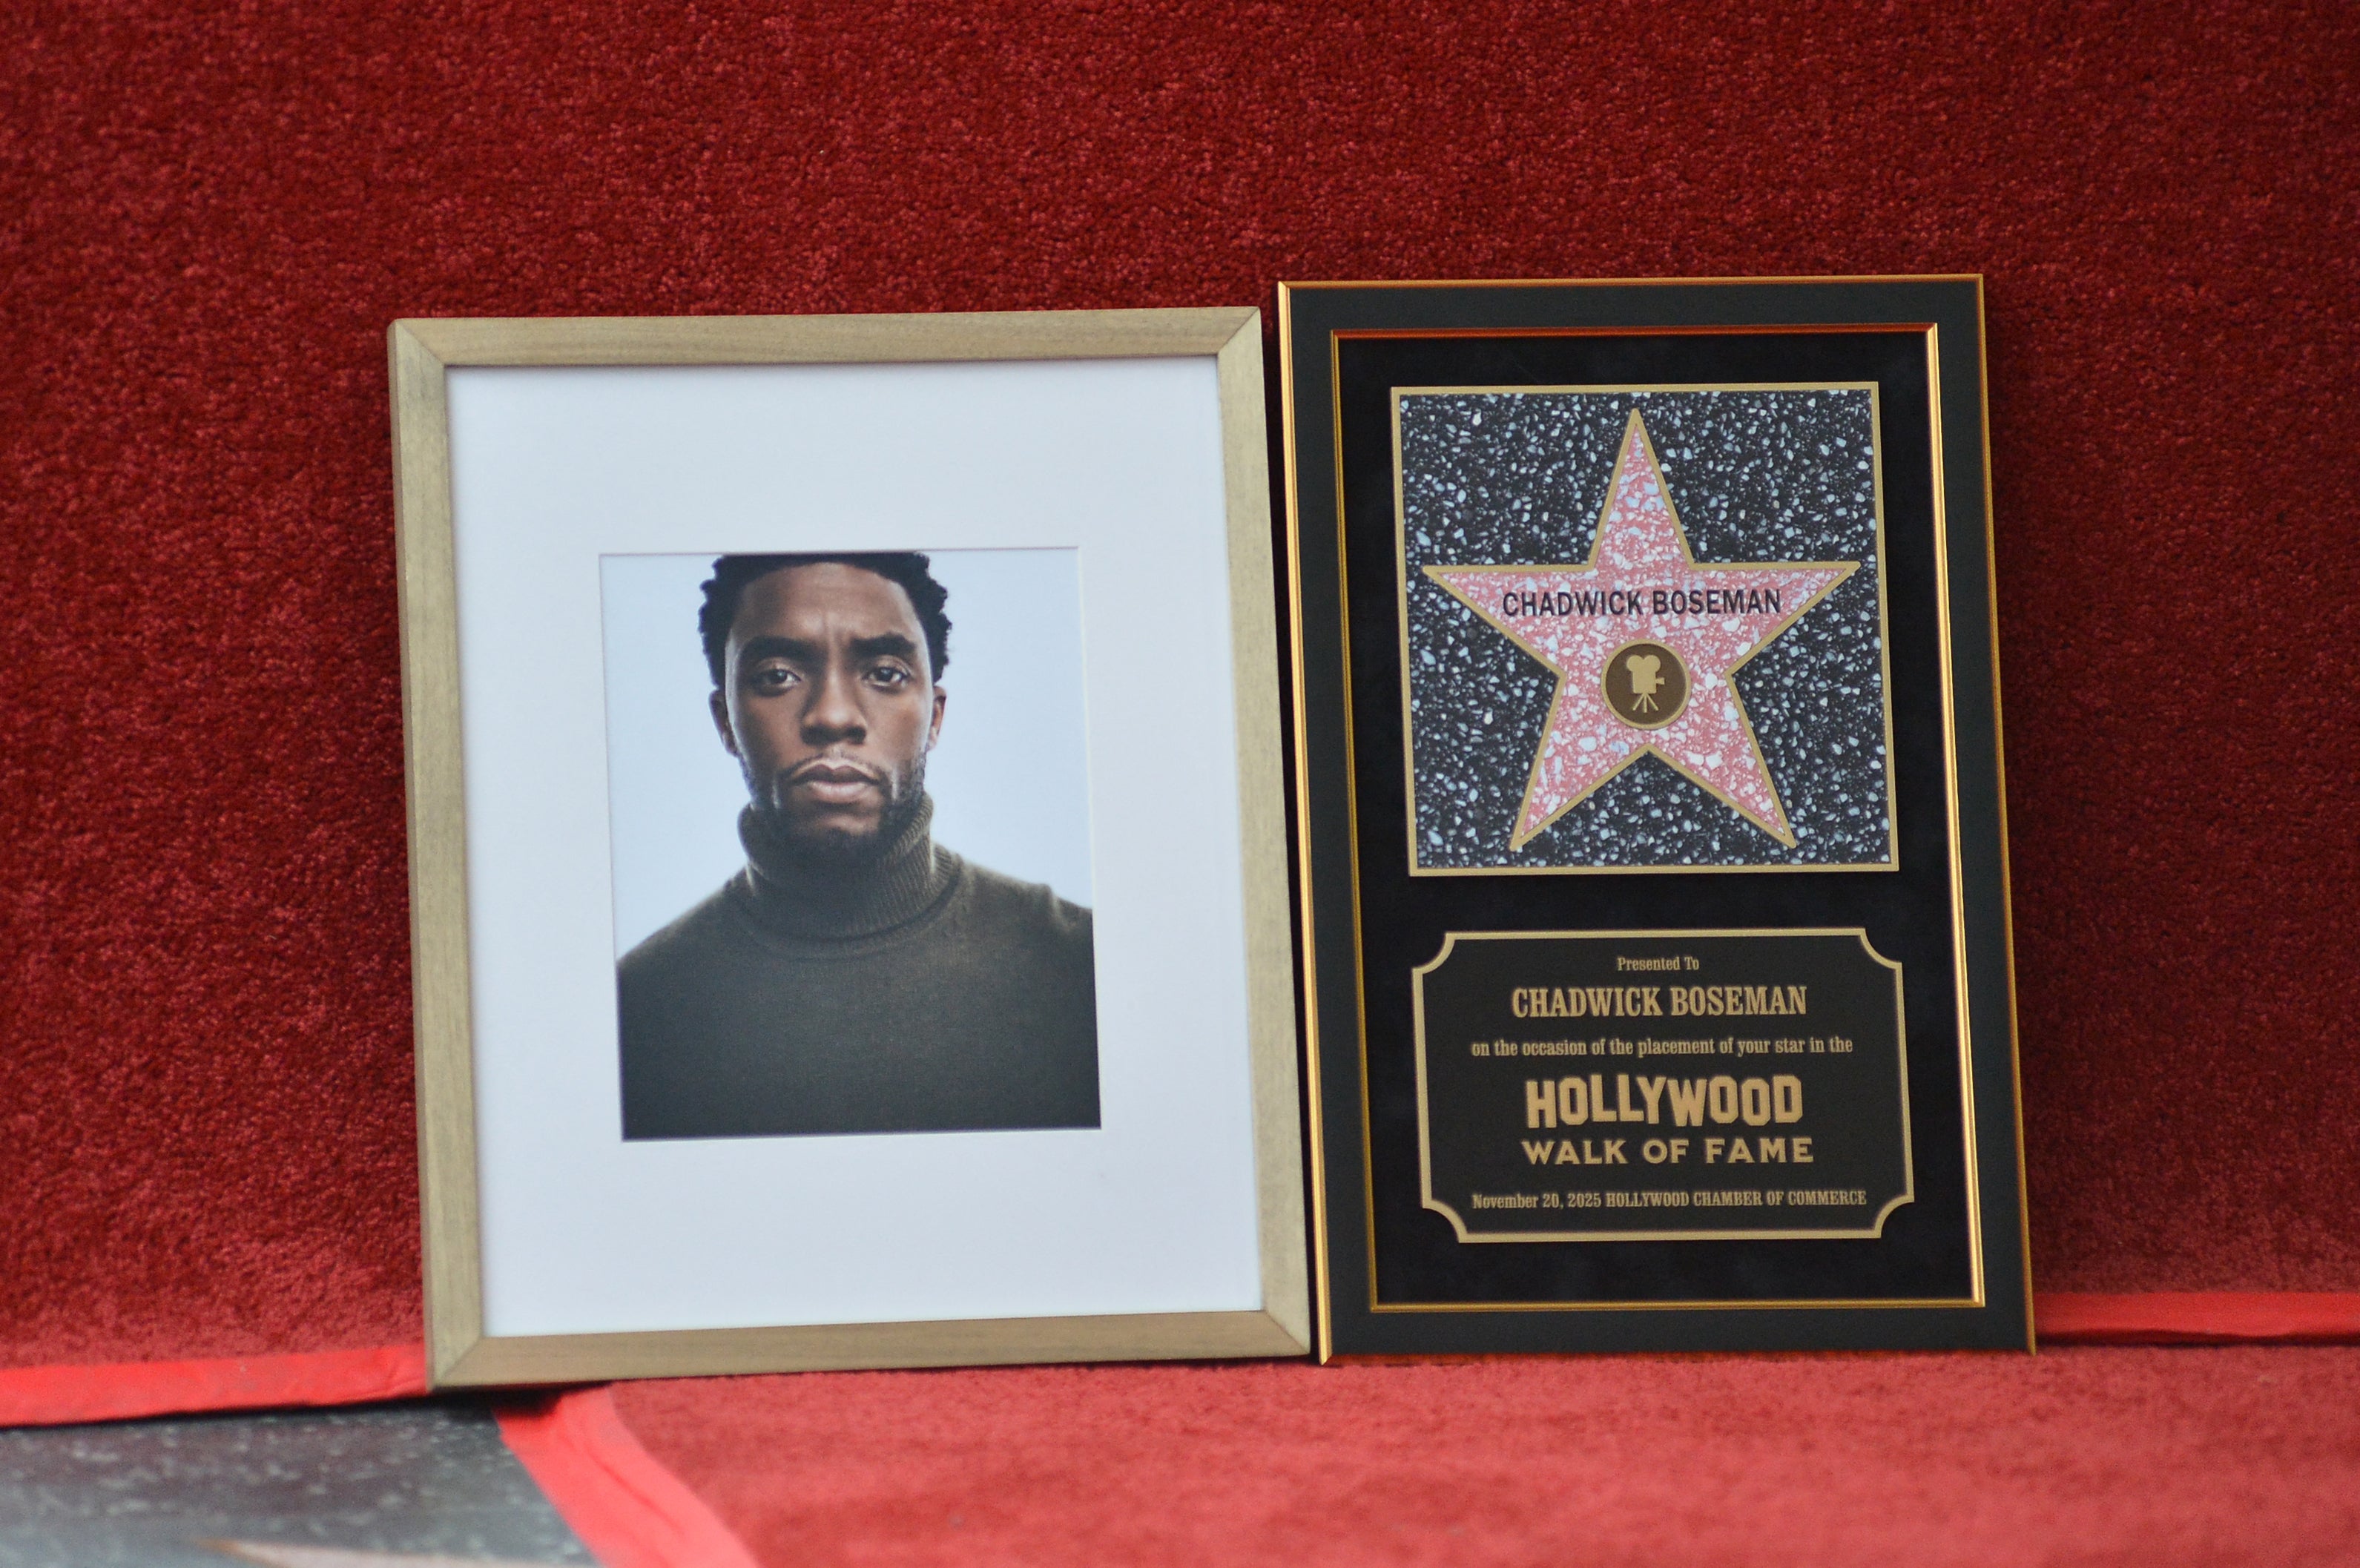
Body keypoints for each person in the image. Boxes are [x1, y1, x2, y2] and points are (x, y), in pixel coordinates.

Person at [618, 552, 1100, 1139]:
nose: (833, 715)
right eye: (777, 675)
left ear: (935, 716)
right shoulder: (634, 1012)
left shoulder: (1084, 972)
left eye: (885, 672)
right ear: (725, 719)